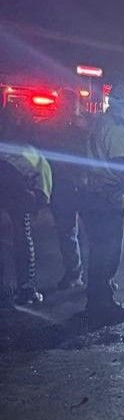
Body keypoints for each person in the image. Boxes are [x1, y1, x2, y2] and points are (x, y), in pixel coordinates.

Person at [78, 84, 124, 324]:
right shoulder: (117, 130)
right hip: (109, 197)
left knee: (97, 249)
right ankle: (104, 304)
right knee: (109, 251)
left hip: (91, 192)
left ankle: (95, 300)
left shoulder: (99, 122)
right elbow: (117, 165)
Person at [0, 105, 52, 309]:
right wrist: (39, 201)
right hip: (20, 203)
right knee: (23, 241)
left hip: (13, 200)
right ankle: (26, 289)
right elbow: (43, 180)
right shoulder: (29, 153)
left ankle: (5, 290)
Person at [47, 106, 91, 290]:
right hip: (76, 186)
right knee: (75, 233)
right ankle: (83, 275)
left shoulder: (54, 128)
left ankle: (81, 274)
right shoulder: (82, 127)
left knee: (71, 233)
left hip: (73, 186)